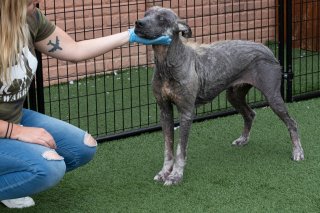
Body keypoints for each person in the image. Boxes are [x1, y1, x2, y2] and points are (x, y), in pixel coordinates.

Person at [0, 0, 171, 209]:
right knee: (48, 168)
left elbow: (74, 50)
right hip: (8, 127)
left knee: (81, 148)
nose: (37, 1)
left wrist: (130, 35)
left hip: (12, 118)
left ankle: (10, 181)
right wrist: (15, 131)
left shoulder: (30, 17)